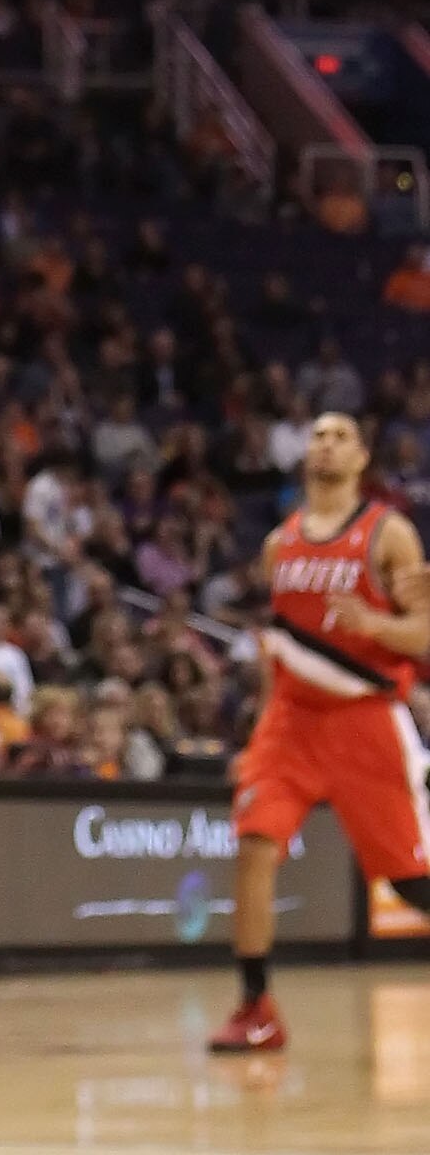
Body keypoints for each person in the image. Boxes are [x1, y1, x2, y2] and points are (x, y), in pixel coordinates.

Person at [212, 410, 430, 1054]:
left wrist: (372, 623)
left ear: (362, 458)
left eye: (340, 436)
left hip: (364, 717)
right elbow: (285, 648)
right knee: (253, 844)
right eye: (317, 435)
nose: (326, 445)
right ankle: (256, 1007)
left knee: (411, 884)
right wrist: (258, 735)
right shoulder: (280, 544)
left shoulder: (388, 535)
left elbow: (421, 635)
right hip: (291, 720)